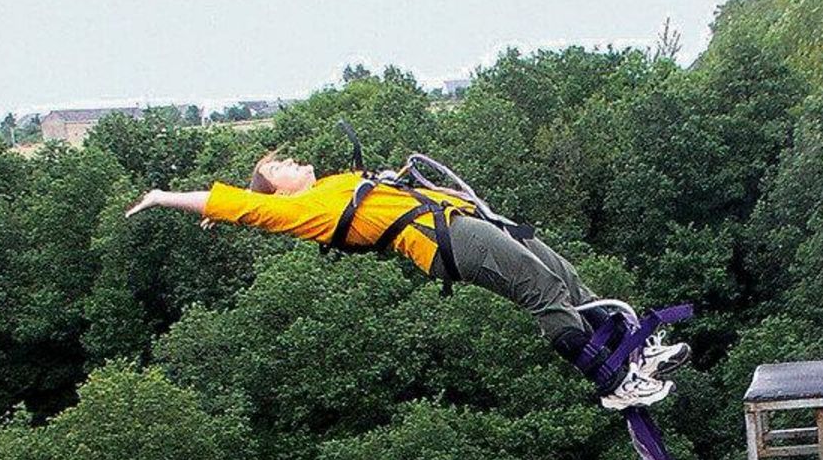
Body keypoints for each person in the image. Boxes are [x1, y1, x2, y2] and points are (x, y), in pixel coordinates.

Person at [126, 152, 691, 410]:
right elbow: (239, 206)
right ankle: (613, 383)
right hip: (447, 241)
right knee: (542, 293)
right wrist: (166, 198)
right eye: (281, 168)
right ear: (275, 191)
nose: (294, 163)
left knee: (566, 277)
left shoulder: (334, 185)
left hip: (467, 218)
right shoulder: (304, 211)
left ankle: (634, 354)